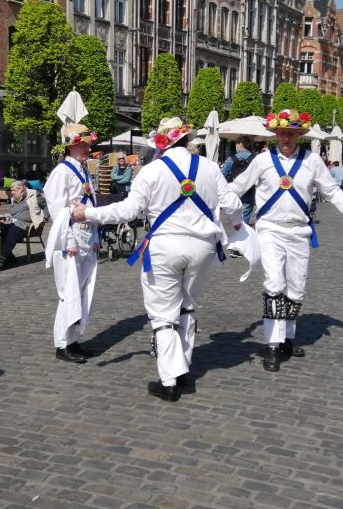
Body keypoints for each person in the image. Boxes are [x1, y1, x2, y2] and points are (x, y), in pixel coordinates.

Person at [73, 117, 243, 400]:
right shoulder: (210, 167)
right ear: (187, 139)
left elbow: (127, 211)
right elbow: (233, 206)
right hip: (203, 248)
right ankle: (184, 369)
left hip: (165, 248)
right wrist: (238, 227)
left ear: (161, 144)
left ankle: (169, 381)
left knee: (163, 314)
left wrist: (87, 214)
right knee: (187, 307)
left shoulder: (151, 171)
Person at [230, 110, 343, 371]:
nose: (286, 137)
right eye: (282, 132)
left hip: (300, 231)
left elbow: (331, 189)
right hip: (269, 229)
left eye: (291, 132)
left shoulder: (312, 161)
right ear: (275, 134)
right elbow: (238, 186)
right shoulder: (262, 160)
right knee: (274, 283)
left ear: (299, 134)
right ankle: (272, 346)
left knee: (296, 289)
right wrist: (214, 202)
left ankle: (287, 337)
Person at [44, 122, 101, 363]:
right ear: (72, 147)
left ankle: (73, 340)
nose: (88, 148)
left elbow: (92, 203)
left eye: (88, 144)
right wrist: (67, 239)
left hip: (87, 233)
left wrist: (96, 234)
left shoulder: (84, 169)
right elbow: (57, 207)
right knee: (69, 290)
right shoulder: (62, 172)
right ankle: (62, 343)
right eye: (84, 144)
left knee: (82, 289)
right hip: (72, 234)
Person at [0, 180, 48, 268]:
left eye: (13, 190)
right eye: (11, 190)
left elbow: (46, 206)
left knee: (13, 230)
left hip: (27, 226)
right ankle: (9, 256)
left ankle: (2, 256)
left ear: (21, 189)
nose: (12, 193)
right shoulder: (15, 199)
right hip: (12, 222)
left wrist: (45, 218)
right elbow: (14, 214)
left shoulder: (34, 195)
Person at [221, 136, 255, 223]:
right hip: (249, 192)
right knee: (244, 222)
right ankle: (242, 232)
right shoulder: (255, 159)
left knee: (235, 220)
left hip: (234, 192)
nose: (236, 146)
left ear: (240, 144)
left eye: (236, 144)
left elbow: (222, 175)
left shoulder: (231, 159)